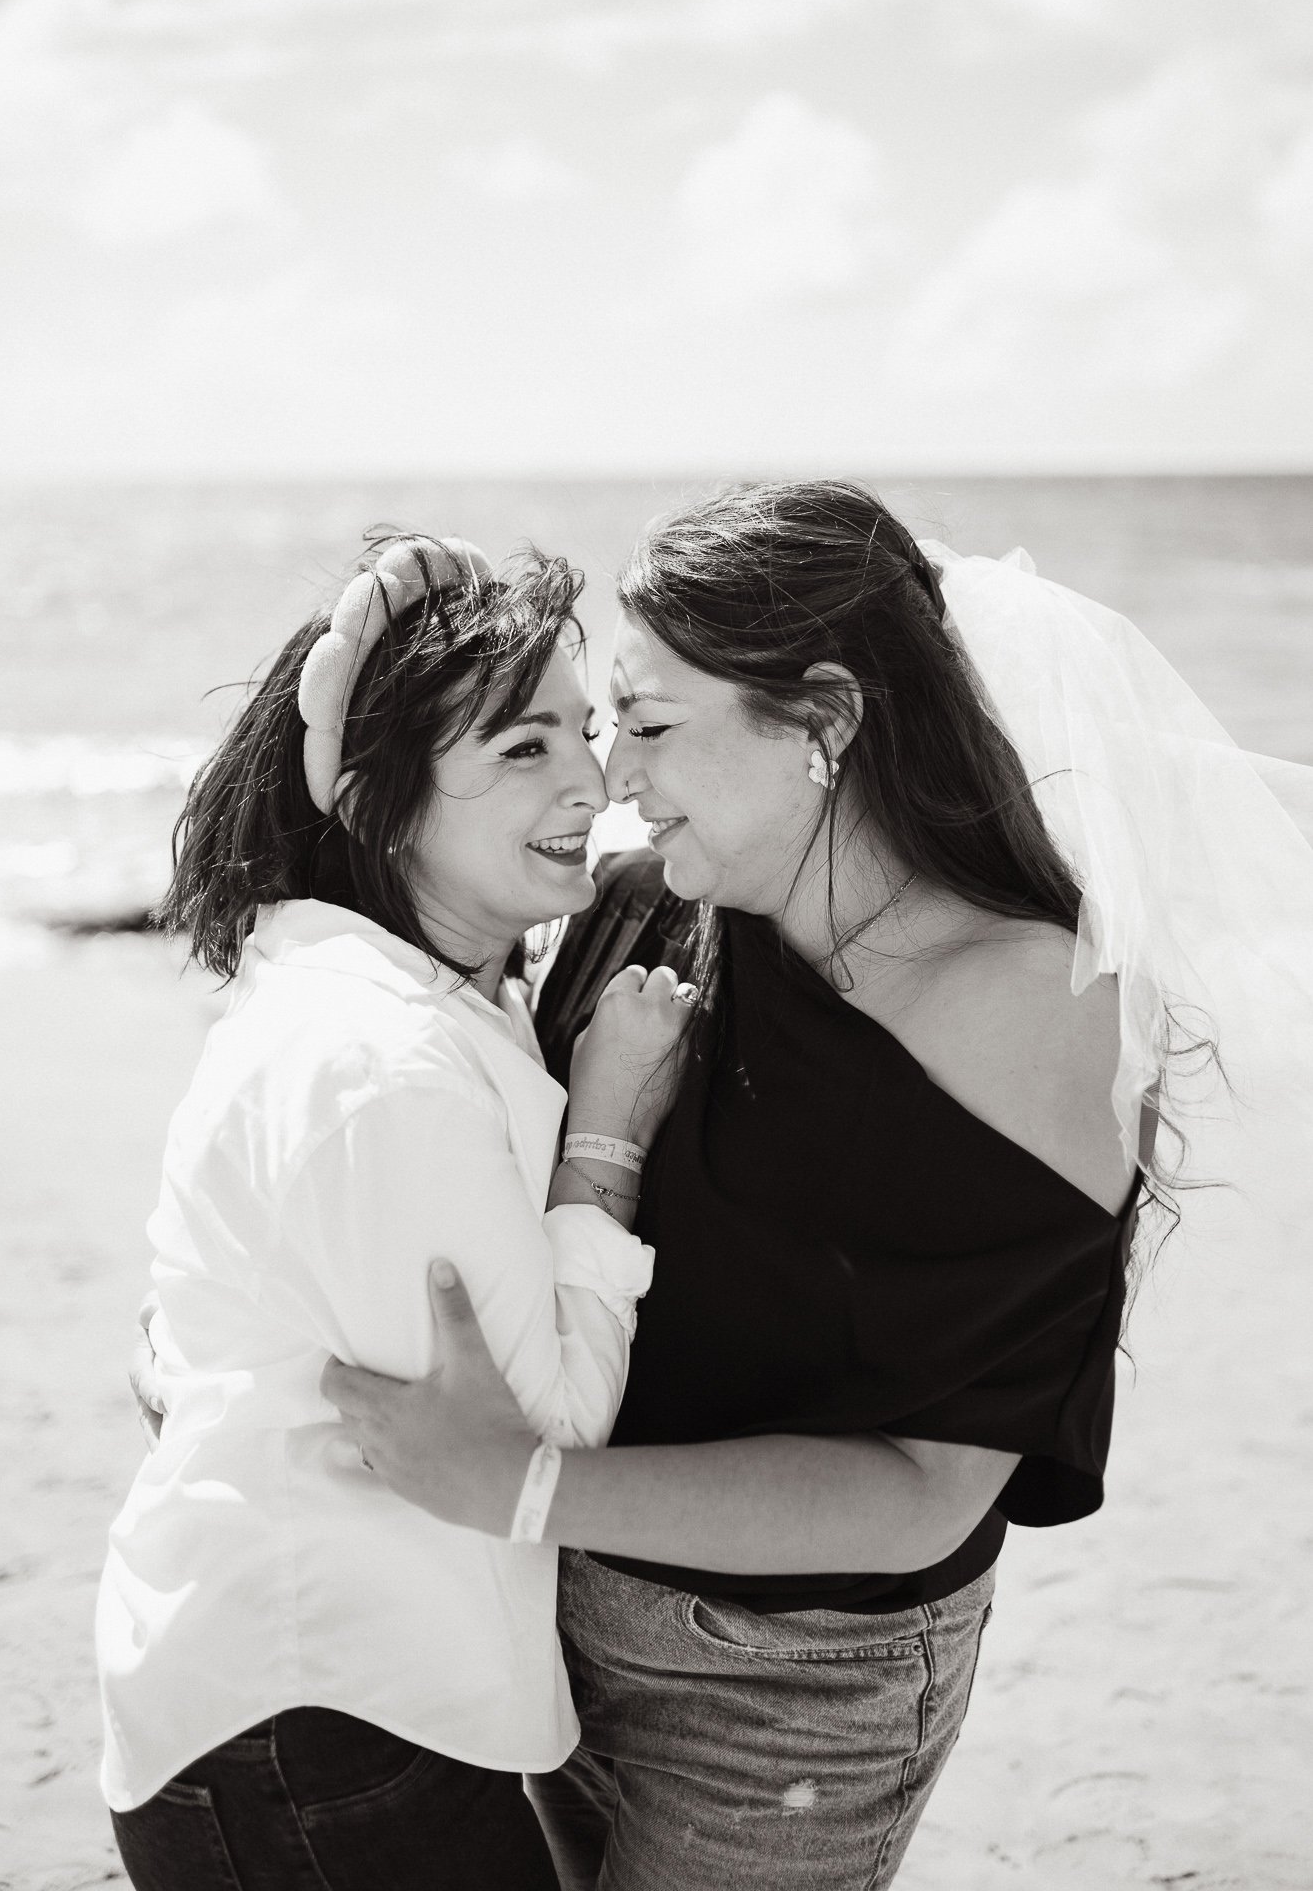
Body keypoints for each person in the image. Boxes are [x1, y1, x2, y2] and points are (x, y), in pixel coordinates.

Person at [319, 479, 1289, 1891]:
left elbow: (921, 1491)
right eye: (606, 727)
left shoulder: (1038, 1011)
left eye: (652, 726)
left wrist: (523, 1486)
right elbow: (367, 968)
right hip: (533, 1626)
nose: (612, 778)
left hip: (788, 1697)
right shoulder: (643, 907)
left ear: (824, 721)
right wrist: (392, 642)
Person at [97, 532, 695, 1891]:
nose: (594, 780)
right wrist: (608, 1133)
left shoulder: (400, 992)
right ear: (379, 802)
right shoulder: (384, 1068)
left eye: (586, 731)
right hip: (317, 1726)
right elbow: (547, 1444)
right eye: (524, 747)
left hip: (317, 1697)